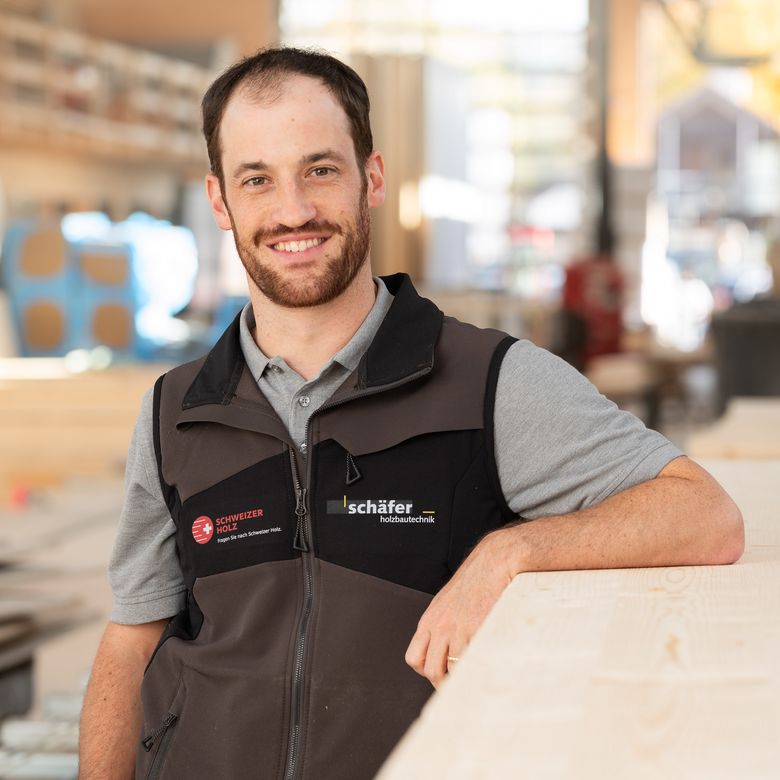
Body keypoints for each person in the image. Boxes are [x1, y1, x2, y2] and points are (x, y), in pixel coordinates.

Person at [78, 47, 744, 780]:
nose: (292, 210)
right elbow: (132, 638)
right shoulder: (174, 411)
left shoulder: (488, 383)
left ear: (372, 178)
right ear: (219, 200)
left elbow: (704, 515)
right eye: (257, 179)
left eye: (320, 170)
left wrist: (512, 552)